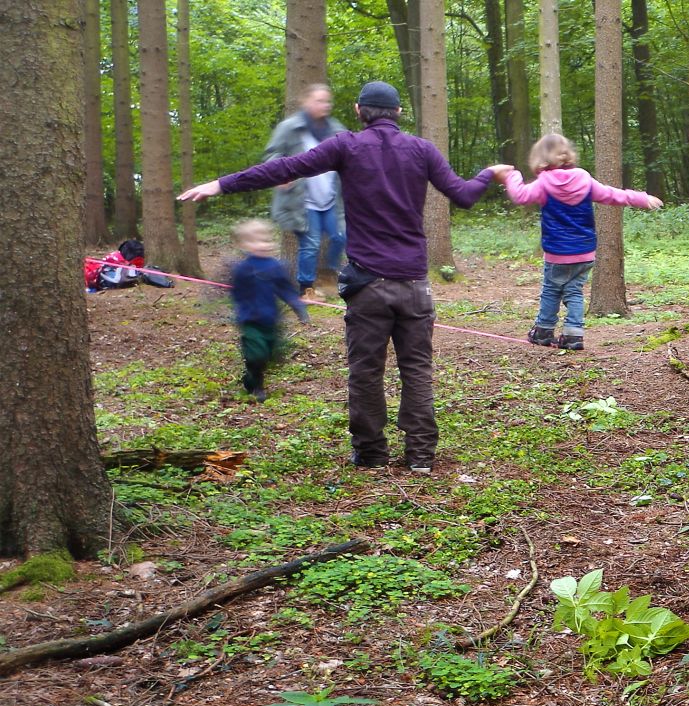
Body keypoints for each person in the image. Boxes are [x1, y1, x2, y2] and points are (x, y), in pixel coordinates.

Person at [180, 81, 509, 473]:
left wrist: (219, 184)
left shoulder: (347, 145)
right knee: (417, 371)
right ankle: (420, 456)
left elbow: (285, 167)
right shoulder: (421, 149)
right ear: (398, 113)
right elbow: (465, 195)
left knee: (366, 372)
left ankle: (371, 454)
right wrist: (488, 173)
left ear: (358, 111)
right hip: (413, 287)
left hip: (369, 287)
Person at [504, 132, 663, 351]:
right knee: (574, 291)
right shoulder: (583, 178)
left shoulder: (544, 183)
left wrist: (511, 175)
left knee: (551, 290)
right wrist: (642, 198)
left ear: (540, 158)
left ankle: (543, 331)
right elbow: (612, 194)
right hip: (584, 251)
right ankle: (574, 335)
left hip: (557, 253)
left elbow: (520, 195)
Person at [265, 84, 349, 297]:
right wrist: (279, 175)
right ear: (306, 102)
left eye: (327, 101)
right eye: (319, 101)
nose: (325, 105)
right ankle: (306, 288)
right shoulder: (290, 128)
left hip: (331, 199)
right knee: (310, 244)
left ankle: (328, 275)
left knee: (341, 236)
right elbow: (272, 154)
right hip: (302, 201)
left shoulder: (336, 129)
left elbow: (350, 155)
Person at [226, 219, 311, 402]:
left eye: (266, 240)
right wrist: (242, 308)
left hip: (271, 319)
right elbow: (236, 292)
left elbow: (285, 289)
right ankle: (255, 384)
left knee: (272, 354)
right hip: (251, 320)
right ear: (245, 245)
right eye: (256, 241)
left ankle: (254, 374)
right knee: (256, 354)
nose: (263, 245)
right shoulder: (243, 268)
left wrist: (298, 307)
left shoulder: (275, 266)